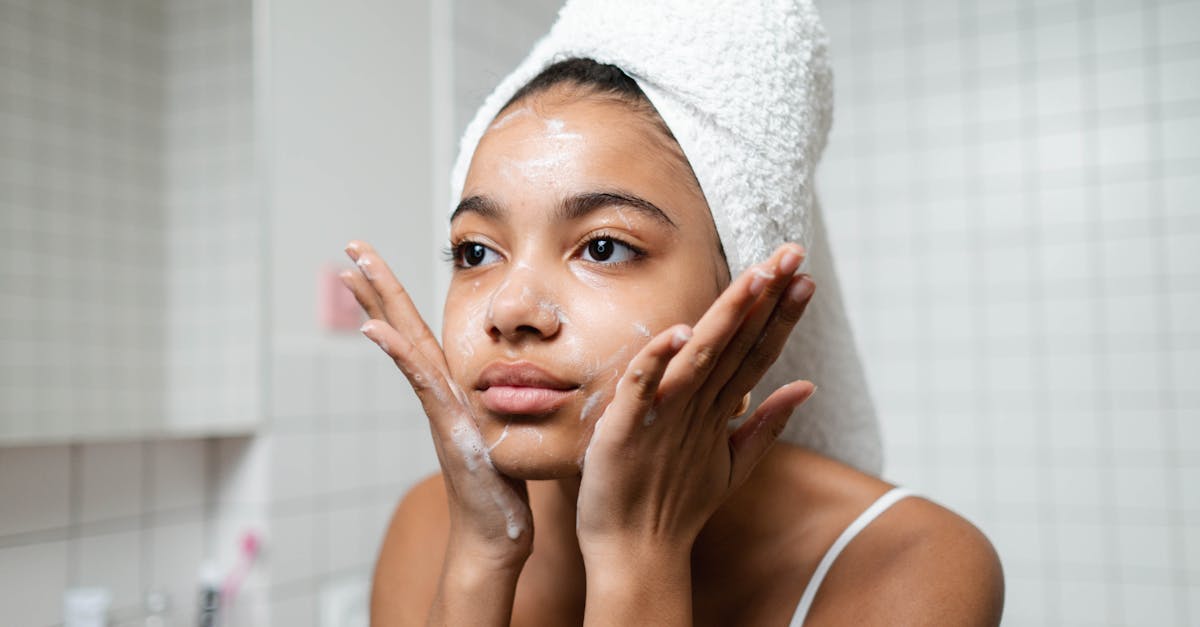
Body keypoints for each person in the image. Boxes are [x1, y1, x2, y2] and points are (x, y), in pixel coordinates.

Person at [343, 3, 1003, 623]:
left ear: (748, 296)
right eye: (476, 250)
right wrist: (479, 560)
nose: (510, 308)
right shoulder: (432, 531)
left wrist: (638, 553)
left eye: (603, 247)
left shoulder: (908, 565)